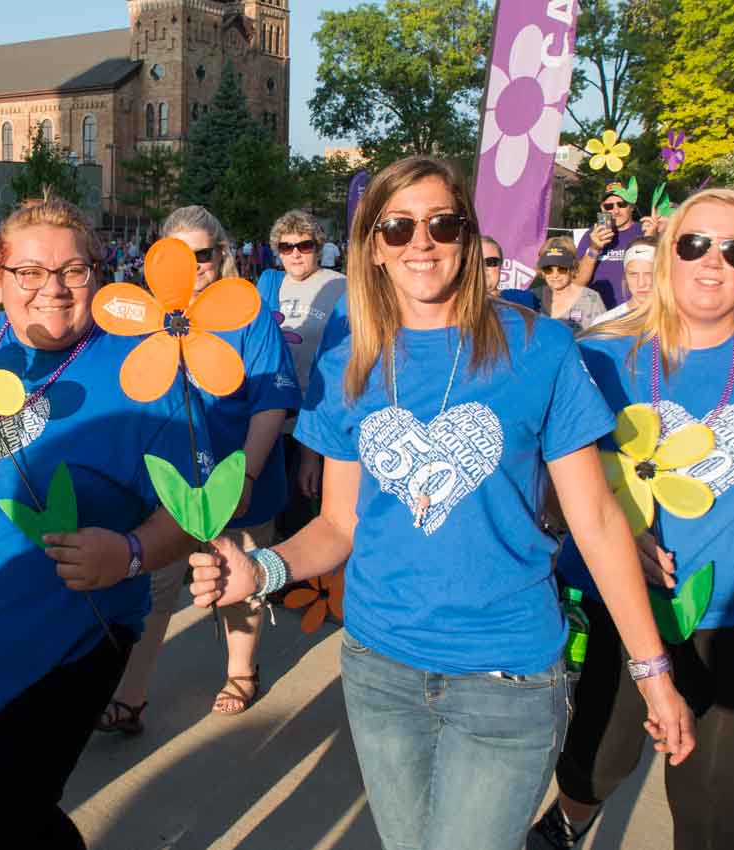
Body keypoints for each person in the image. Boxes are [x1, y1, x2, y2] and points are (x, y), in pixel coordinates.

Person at [187, 156, 694, 850]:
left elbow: (598, 522)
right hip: (380, 668)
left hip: (506, 676)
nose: (419, 243)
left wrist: (653, 671)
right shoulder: (350, 364)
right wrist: (262, 571)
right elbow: (339, 525)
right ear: (372, 246)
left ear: (467, 234)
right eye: (397, 228)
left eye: (441, 223)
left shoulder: (540, 347)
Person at [529, 188, 734, 850]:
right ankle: (569, 821)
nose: (712, 263)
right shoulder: (596, 356)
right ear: (667, 252)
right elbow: (553, 487)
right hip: (621, 605)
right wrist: (620, 529)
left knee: (717, 810)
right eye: (695, 243)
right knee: (597, 760)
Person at [0, 194, 201, 848]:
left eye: (74, 271)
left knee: (4, 819)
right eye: (28, 271)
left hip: (69, 641)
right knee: (7, 811)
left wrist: (133, 552)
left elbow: (199, 507)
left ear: (98, 277)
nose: (51, 289)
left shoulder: (143, 370)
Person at [97, 206, 298, 729]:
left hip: (240, 471)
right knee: (158, 583)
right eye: (179, 257)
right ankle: (132, 697)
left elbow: (270, 403)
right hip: (173, 481)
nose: (193, 267)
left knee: (238, 574)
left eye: (202, 255)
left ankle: (239, 672)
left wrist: (248, 477)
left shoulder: (248, 313)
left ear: (222, 255)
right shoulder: (144, 320)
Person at [256, 210, 347, 538]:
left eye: (304, 245)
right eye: (286, 246)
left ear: (318, 247)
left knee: (302, 513)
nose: (295, 253)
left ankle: (300, 585)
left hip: (315, 418)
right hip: (271, 416)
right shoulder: (268, 283)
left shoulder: (339, 286)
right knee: (268, 513)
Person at [575, 180, 656, 309]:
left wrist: (651, 241)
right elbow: (577, 283)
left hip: (637, 313)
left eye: (621, 204)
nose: (615, 211)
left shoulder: (646, 232)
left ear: (632, 206)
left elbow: (662, 277)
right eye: (609, 206)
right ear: (602, 208)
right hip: (599, 314)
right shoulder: (592, 235)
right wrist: (594, 249)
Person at [534, 237, 606, 332]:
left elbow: (604, 338)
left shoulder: (591, 300)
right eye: (548, 269)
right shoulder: (532, 297)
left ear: (572, 269)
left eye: (561, 269)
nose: (555, 275)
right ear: (542, 271)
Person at [593, 236, 658, 325]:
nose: (641, 283)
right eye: (633, 274)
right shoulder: (606, 322)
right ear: (625, 276)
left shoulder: (678, 319)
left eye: (649, 274)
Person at [480, 235, 539, 310]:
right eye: (476, 262)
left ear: (500, 265)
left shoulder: (524, 300)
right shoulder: (460, 305)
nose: (482, 268)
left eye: (490, 262)